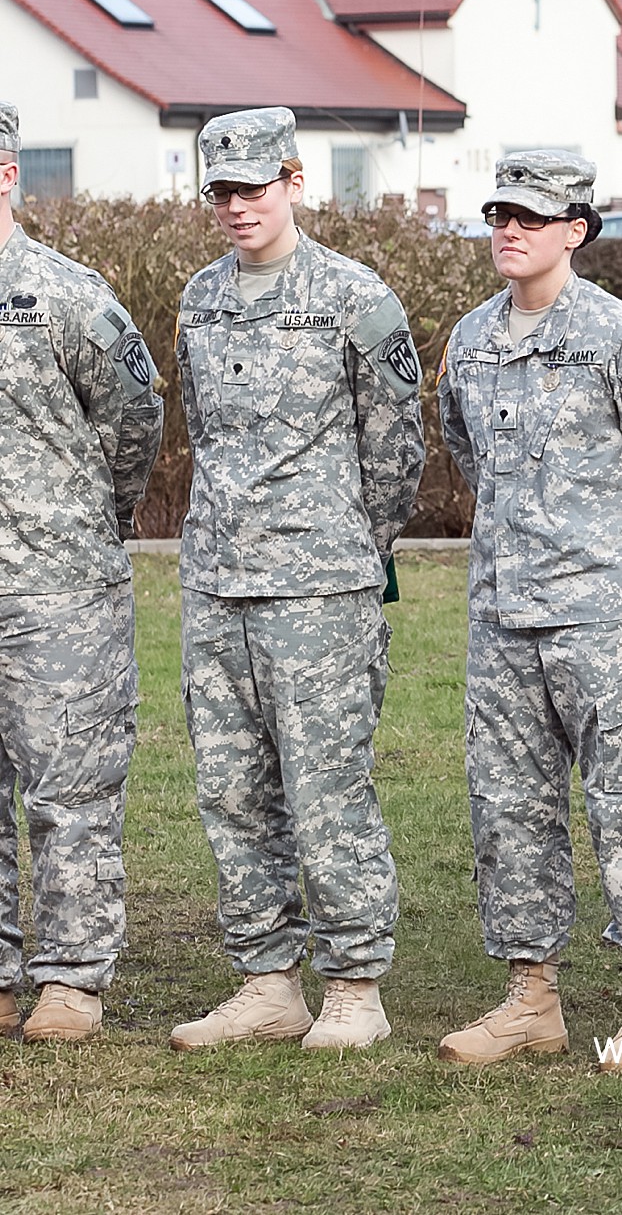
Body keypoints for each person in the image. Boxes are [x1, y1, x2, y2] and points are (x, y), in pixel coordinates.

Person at [437, 151, 622, 1072]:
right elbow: (467, 455)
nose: (509, 231)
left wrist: (610, 546)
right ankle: (531, 998)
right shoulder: (472, 339)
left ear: (576, 231)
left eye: (529, 216)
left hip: (609, 615)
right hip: (505, 613)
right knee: (509, 808)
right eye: (498, 215)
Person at [168, 107, 423, 1054]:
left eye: (254, 188)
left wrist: (349, 550)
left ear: (294, 181)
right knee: (231, 786)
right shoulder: (201, 297)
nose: (238, 207)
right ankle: (267, 979)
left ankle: (355, 983)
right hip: (218, 580)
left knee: (326, 786)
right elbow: (203, 426)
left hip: (319, 588)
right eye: (222, 192)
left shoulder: (357, 297)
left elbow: (397, 448)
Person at [0, 101, 163, 1043]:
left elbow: (132, 421)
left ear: (10, 174)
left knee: (68, 787)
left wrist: (89, 521)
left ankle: (71, 977)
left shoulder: (66, 294)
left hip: (56, 586)